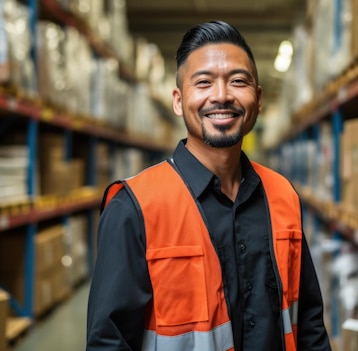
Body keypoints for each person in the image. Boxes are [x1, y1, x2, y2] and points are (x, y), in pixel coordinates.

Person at [86, 20, 331, 351]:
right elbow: (108, 343)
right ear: (177, 100)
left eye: (238, 81)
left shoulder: (283, 196)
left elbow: (310, 324)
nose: (221, 96)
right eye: (203, 83)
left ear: (258, 99)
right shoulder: (135, 207)